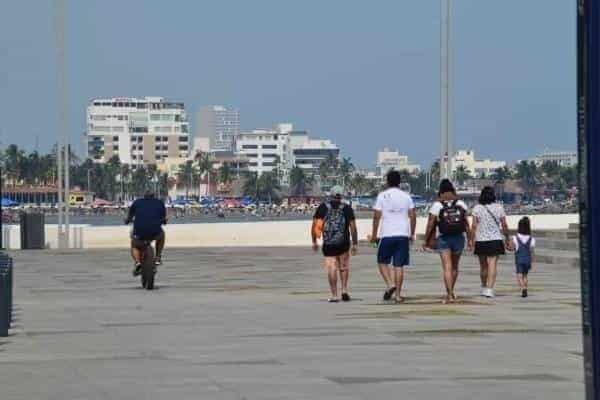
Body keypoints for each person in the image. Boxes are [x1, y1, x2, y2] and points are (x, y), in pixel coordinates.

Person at [371, 170, 417, 303]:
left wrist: (374, 234)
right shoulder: (406, 196)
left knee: (382, 262)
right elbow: (413, 216)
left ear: (387, 181)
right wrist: (412, 233)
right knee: (399, 265)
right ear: (399, 182)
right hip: (402, 234)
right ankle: (397, 295)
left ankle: (390, 284)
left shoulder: (382, 196)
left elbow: (376, 216)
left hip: (387, 234)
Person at [423, 179, 471, 304]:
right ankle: (451, 291)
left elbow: (430, 224)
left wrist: (426, 239)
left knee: (447, 267)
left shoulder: (437, 205)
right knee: (455, 266)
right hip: (459, 238)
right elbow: (466, 224)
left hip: (444, 238)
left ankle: (449, 294)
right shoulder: (460, 203)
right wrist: (471, 239)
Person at [311, 185, 358, 302]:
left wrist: (314, 240)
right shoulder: (346, 208)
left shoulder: (323, 208)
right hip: (344, 242)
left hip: (328, 243)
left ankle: (334, 295)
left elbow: (315, 225)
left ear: (330, 194)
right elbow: (353, 227)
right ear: (341, 196)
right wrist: (355, 243)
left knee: (332, 268)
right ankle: (344, 290)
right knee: (344, 267)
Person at [469, 186, 510, 298]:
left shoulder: (477, 208)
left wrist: (471, 240)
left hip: (481, 240)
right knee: (492, 265)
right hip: (495, 239)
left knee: (483, 266)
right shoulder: (499, 208)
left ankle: (483, 286)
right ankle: (489, 289)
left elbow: (473, 226)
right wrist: (507, 238)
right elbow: (504, 225)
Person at [125, 191, 167, 277]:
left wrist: (127, 221)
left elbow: (129, 217)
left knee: (134, 244)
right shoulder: (159, 203)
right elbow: (164, 219)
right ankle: (158, 257)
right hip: (155, 231)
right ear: (153, 196)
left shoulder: (137, 202)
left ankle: (137, 262)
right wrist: (163, 221)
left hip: (139, 232)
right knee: (162, 235)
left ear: (144, 196)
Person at [512, 216, 536, 298]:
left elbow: (513, 248)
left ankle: (523, 288)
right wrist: (532, 260)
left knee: (519, 275)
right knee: (525, 275)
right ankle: (526, 287)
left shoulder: (515, 237)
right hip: (527, 259)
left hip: (519, 259)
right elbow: (532, 250)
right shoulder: (531, 238)